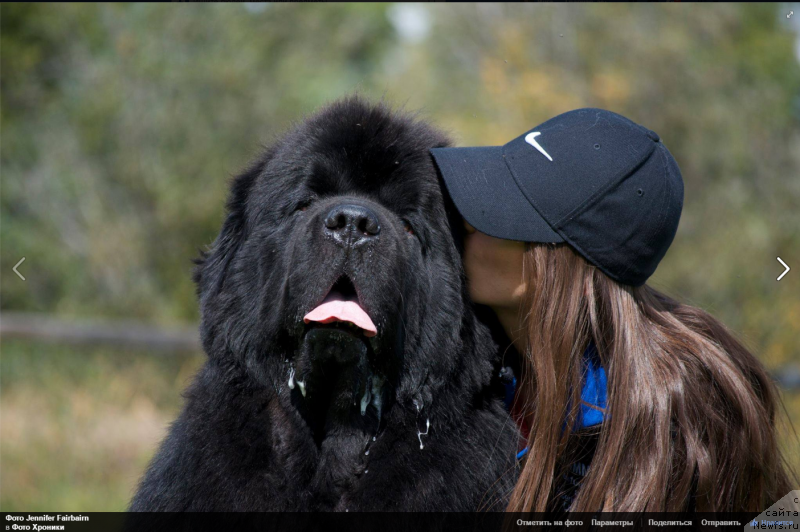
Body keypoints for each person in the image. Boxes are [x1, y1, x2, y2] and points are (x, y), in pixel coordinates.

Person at [430, 108, 794, 513]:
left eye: (494, 214)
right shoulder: (479, 367)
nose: (462, 223)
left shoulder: (679, 418)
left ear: (562, 263)